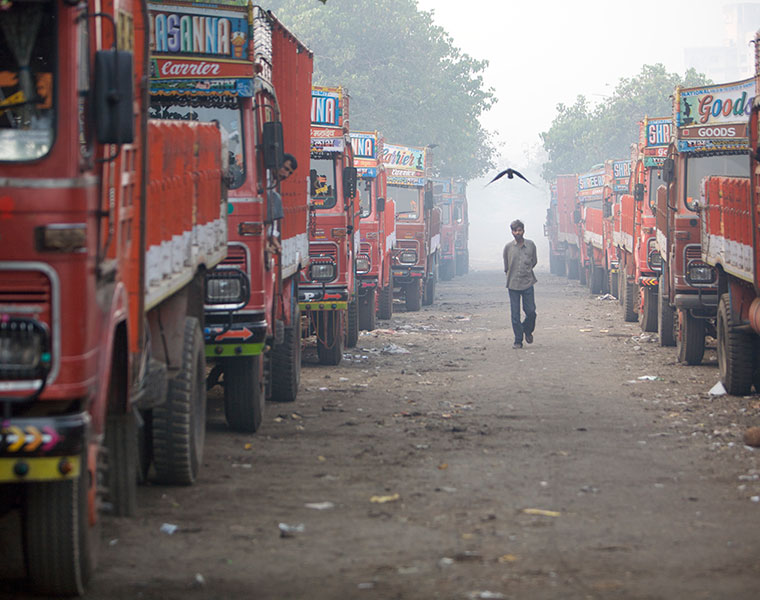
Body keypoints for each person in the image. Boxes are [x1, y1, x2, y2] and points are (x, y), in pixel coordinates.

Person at [503, 219, 537, 349]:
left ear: (523, 231)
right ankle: (518, 340)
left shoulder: (531, 245)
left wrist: (526, 271)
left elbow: (534, 261)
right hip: (513, 284)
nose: (518, 233)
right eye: (515, 230)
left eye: (520, 230)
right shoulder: (508, 247)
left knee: (531, 312)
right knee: (515, 314)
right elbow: (506, 266)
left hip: (528, 282)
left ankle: (527, 330)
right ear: (512, 232)